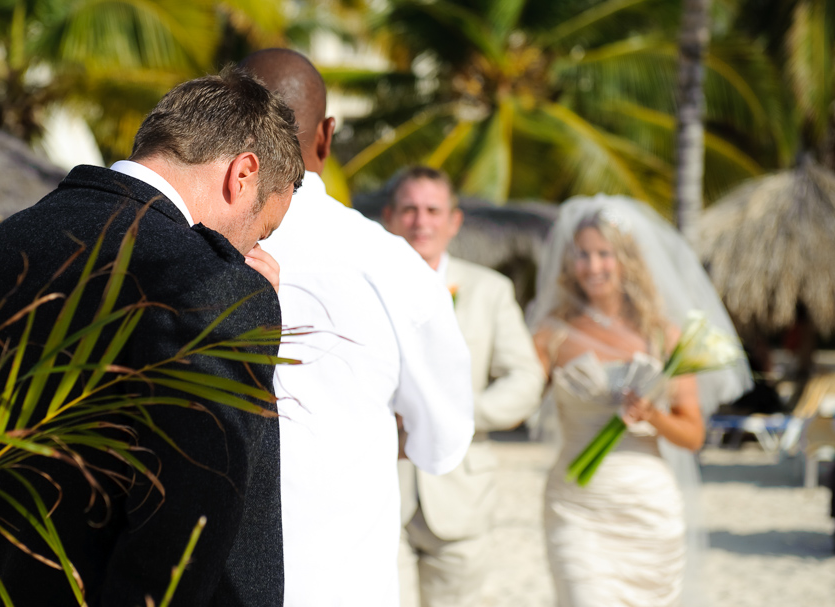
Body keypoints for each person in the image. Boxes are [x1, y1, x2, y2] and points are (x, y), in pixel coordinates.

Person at [0, 66, 304, 607]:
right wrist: (247, 304)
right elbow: (190, 526)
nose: (254, 247)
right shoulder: (209, 280)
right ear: (242, 174)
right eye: (261, 228)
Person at [238, 50, 474, 606]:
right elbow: (442, 441)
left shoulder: (171, 246)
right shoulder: (388, 263)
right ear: (326, 135)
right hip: (342, 577)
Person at [527, 194, 751, 607]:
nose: (593, 266)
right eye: (583, 255)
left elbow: (693, 435)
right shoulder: (550, 334)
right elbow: (518, 402)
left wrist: (652, 416)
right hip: (575, 505)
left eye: (603, 254)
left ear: (626, 258)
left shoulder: (663, 337)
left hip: (646, 509)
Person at [382, 166, 544, 607]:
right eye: (410, 210)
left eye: (433, 210)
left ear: (454, 221)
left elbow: (526, 378)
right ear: (389, 217)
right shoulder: (367, 287)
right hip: (378, 486)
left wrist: (459, 414)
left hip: (461, 493)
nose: (422, 221)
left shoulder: (490, 290)